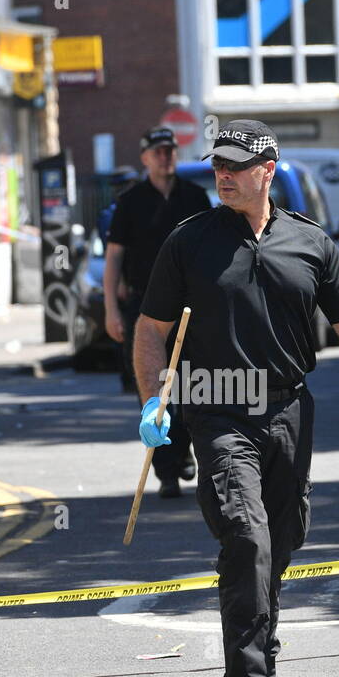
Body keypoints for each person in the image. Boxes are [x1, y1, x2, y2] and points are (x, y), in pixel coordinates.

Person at [132, 119, 339, 677]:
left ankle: (257, 667)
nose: (222, 175)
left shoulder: (310, 243)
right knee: (247, 538)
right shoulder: (189, 242)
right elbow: (151, 328)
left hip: (288, 412)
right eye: (217, 164)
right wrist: (153, 400)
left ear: (268, 170)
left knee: (277, 546)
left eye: (235, 165)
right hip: (216, 409)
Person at [104, 126, 211, 497]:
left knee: (192, 385)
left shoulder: (195, 197)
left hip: (191, 307)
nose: (166, 157)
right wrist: (111, 309)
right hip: (145, 309)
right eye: (158, 151)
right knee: (153, 387)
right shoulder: (131, 202)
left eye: (170, 150)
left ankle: (183, 447)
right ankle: (167, 469)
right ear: (145, 158)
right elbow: (113, 258)